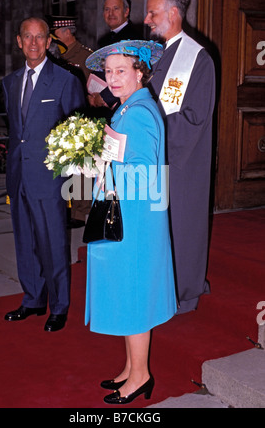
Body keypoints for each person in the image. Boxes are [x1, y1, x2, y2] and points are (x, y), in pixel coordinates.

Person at [84, 40, 177, 404]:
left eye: (121, 70)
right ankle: (130, 367)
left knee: (134, 298)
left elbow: (143, 173)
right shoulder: (128, 108)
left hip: (134, 224)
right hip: (128, 217)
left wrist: (100, 166)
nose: (113, 78)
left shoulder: (138, 112)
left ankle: (140, 376)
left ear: (140, 71)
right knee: (127, 294)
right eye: (108, 72)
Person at [2, 17, 85, 331]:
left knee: (52, 242)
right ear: (19, 41)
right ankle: (33, 299)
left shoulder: (65, 80)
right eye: (28, 37)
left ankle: (59, 305)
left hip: (50, 178)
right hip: (18, 174)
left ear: (49, 42)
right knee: (25, 241)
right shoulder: (10, 83)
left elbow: (77, 132)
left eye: (40, 37)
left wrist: (67, 176)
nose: (34, 43)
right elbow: (17, 132)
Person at [144, 0, 216, 314]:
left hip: (181, 161)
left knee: (182, 226)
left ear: (173, 13)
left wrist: (149, 130)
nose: (147, 19)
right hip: (155, 157)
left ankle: (184, 293)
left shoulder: (197, 58)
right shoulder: (157, 54)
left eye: (153, 12)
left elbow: (193, 119)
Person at [48, 15, 93, 228]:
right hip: (60, 118)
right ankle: (67, 207)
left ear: (67, 32)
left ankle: (80, 212)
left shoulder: (85, 56)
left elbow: (93, 87)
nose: (52, 37)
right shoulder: (54, 56)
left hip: (81, 119)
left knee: (82, 168)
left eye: (55, 32)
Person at [90, 0, 143, 111]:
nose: (111, 13)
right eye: (107, 9)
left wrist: (104, 97)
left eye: (115, 9)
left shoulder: (133, 39)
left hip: (124, 104)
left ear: (126, 11)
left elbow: (130, 75)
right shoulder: (104, 40)